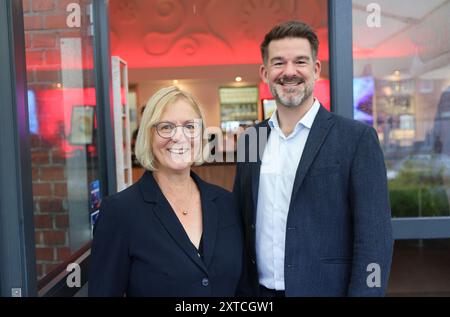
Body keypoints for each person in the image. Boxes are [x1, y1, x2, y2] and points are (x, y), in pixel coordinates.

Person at [233, 21, 394, 297]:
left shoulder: (356, 139)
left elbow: (374, 238)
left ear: (316, 70)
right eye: (279, 63)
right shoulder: (251, 139)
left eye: (300, 61)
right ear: (265, 72)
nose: (289, 72)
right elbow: (240, 216)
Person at [89, 86, 243, 296]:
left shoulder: (227, 203)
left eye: (190, 126)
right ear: (148, 136)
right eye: (166, 127)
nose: (179, 136)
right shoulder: (119, 212)